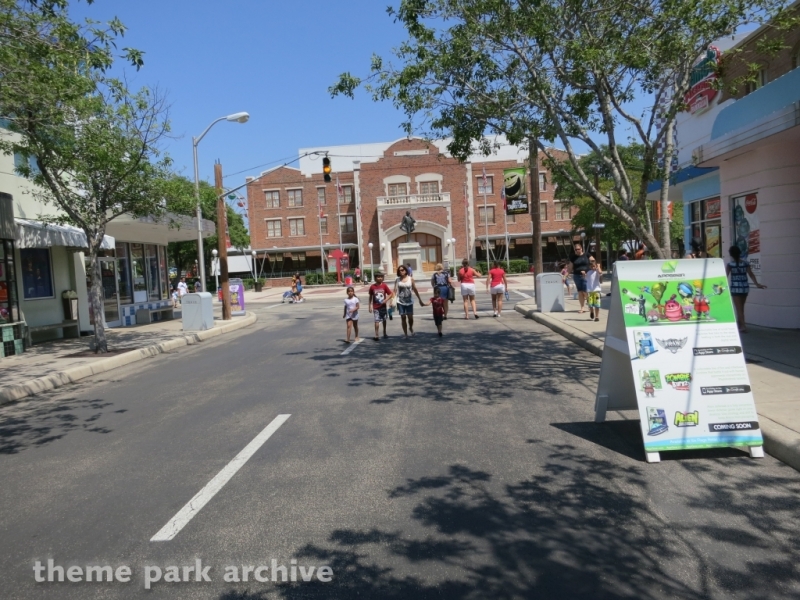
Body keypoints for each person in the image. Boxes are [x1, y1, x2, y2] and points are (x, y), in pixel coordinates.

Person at [726, 245, 766, 333]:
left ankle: (743, 326)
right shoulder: (745, 263)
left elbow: (725, 276)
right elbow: (751, 274)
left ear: (731, 254)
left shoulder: (730, 265)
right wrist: (757, 284)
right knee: (741, 307)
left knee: (738, 308)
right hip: (744, 287)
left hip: (735, 288)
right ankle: (739, 324)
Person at [393, 264, 425, 338]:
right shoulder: (397, 280)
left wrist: (420, 299)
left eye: (402, 270)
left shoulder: (410, 279)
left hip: (409, 301)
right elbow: (394, 291)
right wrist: (392, 300)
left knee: (410, 317)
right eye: (399, 271)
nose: (401, 272)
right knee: (403, 317)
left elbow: (415, 289)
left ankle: (410, 327)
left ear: (405, 270)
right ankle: (405, 334)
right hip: (400, 301)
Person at [368, 272, 393, 340]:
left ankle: (384, 332)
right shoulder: (372, 287)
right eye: (378, 277)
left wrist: (386, 300)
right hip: (376, 307)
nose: (380, 278)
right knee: (376, 320)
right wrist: (370, 306)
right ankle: (376, 334)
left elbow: (391, 294)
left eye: (381, 277)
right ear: (375, 278)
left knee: (384, 320)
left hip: (383, 307)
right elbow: (370, 296)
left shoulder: (384, 286)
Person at [570, 244, 590, 313]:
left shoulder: (587, 255)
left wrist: (587, 271)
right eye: (576, 250)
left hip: (586, 275)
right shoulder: (573, 257)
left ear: (581, 249)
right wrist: (565, 275)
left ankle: (590, 305)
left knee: (585, 291)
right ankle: (582, 307)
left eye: (578, 249)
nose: (577, 251)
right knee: (580, 292)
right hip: (576, 276)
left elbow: (593, 262)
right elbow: (570, 267)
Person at [586, 257, 603, 322]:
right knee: (590, 304)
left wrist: (598, 267)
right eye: (591, 266)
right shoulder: (588, 272)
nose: (593, 267)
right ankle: (592, 311)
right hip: (590, 291)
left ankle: (597, 316)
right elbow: (585, 278)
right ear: (590, 267)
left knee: (597, 304)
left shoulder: (597, 272)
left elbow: (600, 272)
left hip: (596, 290)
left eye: (594, 266)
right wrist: (584, 274)